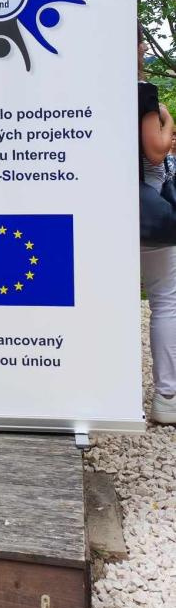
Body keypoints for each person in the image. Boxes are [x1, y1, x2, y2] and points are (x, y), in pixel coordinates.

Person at [139, 25, 176, 424]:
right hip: (148, 214)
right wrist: (166, 123)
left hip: (100, 210)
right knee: (165, 299)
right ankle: (166, 397)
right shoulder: (142, 93)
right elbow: (155, 151)